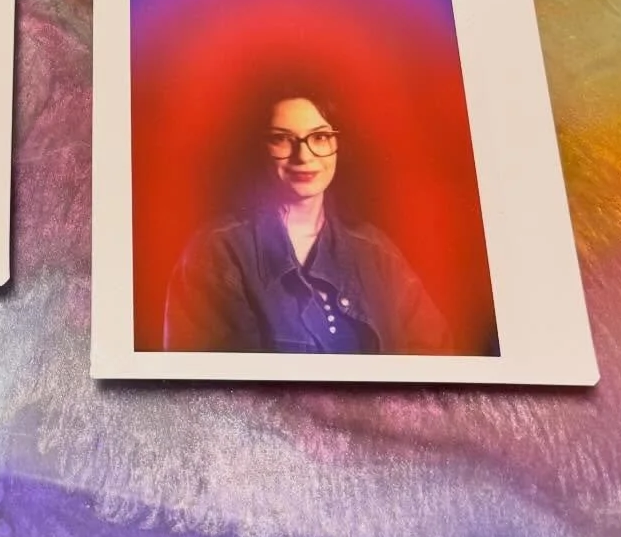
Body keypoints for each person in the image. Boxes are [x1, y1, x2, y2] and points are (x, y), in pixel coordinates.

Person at [163, 89, 447, 354]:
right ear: (260, 147)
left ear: (338, 144)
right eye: (281, 138)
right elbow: (210, 381)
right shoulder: (217, 252)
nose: (304, 156)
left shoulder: (376, 251)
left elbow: (437, 356)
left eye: (320, 137)